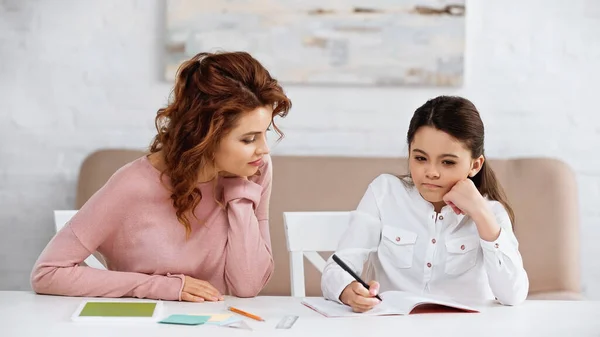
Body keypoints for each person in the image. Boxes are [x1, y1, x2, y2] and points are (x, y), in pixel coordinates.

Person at [31, 51, 292, 302]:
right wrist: (161, 286)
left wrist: (239, 192)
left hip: (221, 325)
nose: (264, 148)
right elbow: (48, 273)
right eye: (249, 139)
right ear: (205, 137)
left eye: (265, 132)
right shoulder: (132, 185)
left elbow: (247, 286)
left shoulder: (255, 168)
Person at [321, 95, 529, 312]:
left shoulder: (492, 213)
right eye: (420, 158)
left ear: (475, 165)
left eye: (448, 162)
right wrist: (346, 289)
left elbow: (512, 295)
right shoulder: (384, 193)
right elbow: (337, 269)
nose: (431, 172)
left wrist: (481, 214)